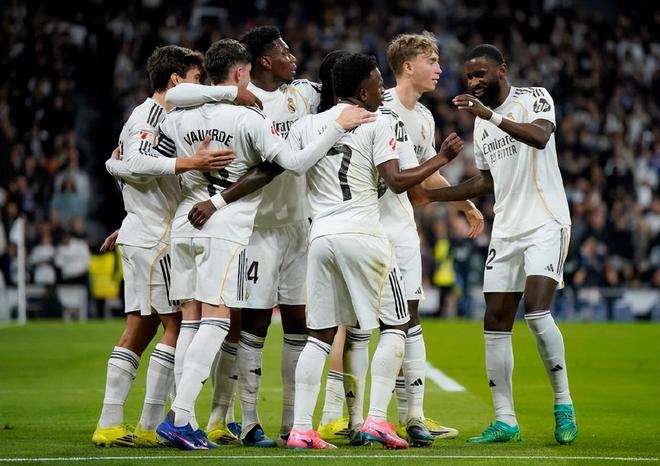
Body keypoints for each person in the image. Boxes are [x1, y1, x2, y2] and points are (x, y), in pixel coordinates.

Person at [153, 38, 375, 451]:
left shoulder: (301, 95)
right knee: (236, 324)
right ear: (255, 65)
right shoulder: (247, 110)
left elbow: (336, 77)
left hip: (297, 225)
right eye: (284, 52)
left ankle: (291, 423)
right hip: (251, 228)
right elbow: (285, 164)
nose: (294, 58)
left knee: (285, 323)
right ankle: (233, 419)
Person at [285, 52, 464, 450]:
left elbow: (294, 166)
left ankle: (301, 429)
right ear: (362, 92)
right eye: (378, 84)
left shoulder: (306, 126)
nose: (383, 90)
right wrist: (442, 158)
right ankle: (379, 420)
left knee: (319, 336)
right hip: (364, 235)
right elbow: (397, 181)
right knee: (398, 326)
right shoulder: (376, 122)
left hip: (321, 238)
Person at [418, 44, 578, 445]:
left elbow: (539, 137)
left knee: (537, 313)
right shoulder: (482, 125)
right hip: (506, 229)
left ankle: (563, 404)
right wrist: (435, 196)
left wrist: (489, 114)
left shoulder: (533, 98)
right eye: (469, 76)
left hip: (545, 221)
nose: (474, 82)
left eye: (481, 74)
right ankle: (505, 420)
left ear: (501, 70)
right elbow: (487, 181)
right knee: (495, 324)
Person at [92, 45, 235, 448]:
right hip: (157, 239)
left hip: (145, 232)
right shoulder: (152, 116)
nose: (200, 86)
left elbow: (127, 168)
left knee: (140, 329)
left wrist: (127, 206)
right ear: (175, 80)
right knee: (179, 325)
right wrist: (191, 164)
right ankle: (153, 424)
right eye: (195, 79)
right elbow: (137, 164)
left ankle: (111, 422)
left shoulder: (162, 118)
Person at [383, 32, 484, 441]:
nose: (440, 69)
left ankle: (414, 416)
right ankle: (352, 417)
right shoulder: (380, 110)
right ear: (408, 66)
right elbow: (405, 180)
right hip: (371, 228)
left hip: (402, 228)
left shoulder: (423, 118)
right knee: (357, 326)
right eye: (432, 61)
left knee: (409, 319)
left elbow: (428, 175)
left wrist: (465, 204)